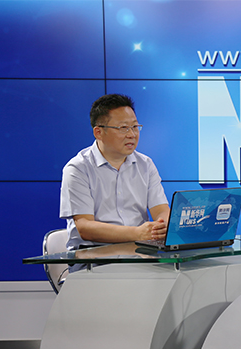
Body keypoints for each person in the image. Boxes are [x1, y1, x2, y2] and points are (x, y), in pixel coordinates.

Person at [60, 94, 170, 250]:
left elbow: (161, 210)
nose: (132, 134)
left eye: (135, 127)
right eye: (123, 128)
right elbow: (84, 227)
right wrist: (137, 233)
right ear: (98, 132)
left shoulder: (145, 164)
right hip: (92, 254)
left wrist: (162, 226)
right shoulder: (78, 169)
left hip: (139, 251)